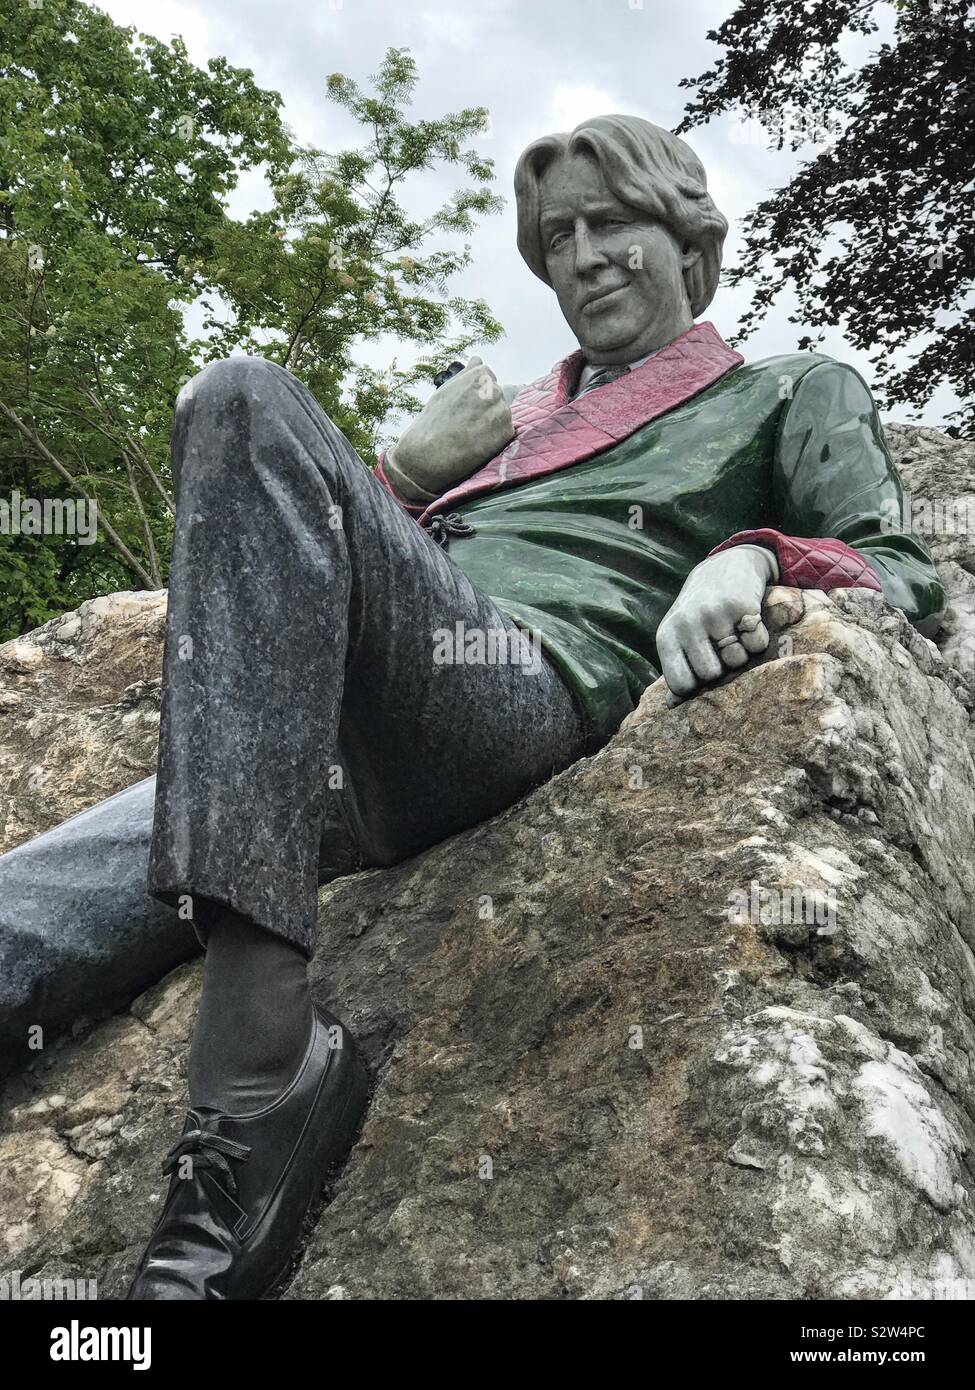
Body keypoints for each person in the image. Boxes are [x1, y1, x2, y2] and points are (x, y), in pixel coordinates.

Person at [0, 115, 944, 1300]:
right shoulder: (497, 433)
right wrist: (402, 475)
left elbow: (899, 572)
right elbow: (295, 577)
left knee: (241, 394)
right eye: (559, 237)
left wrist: (753, 557)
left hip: (513, 699)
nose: (586, 252)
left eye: (616, 223)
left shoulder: (785, 392)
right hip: (303, 751)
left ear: (689, 239)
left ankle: (256, 1078)